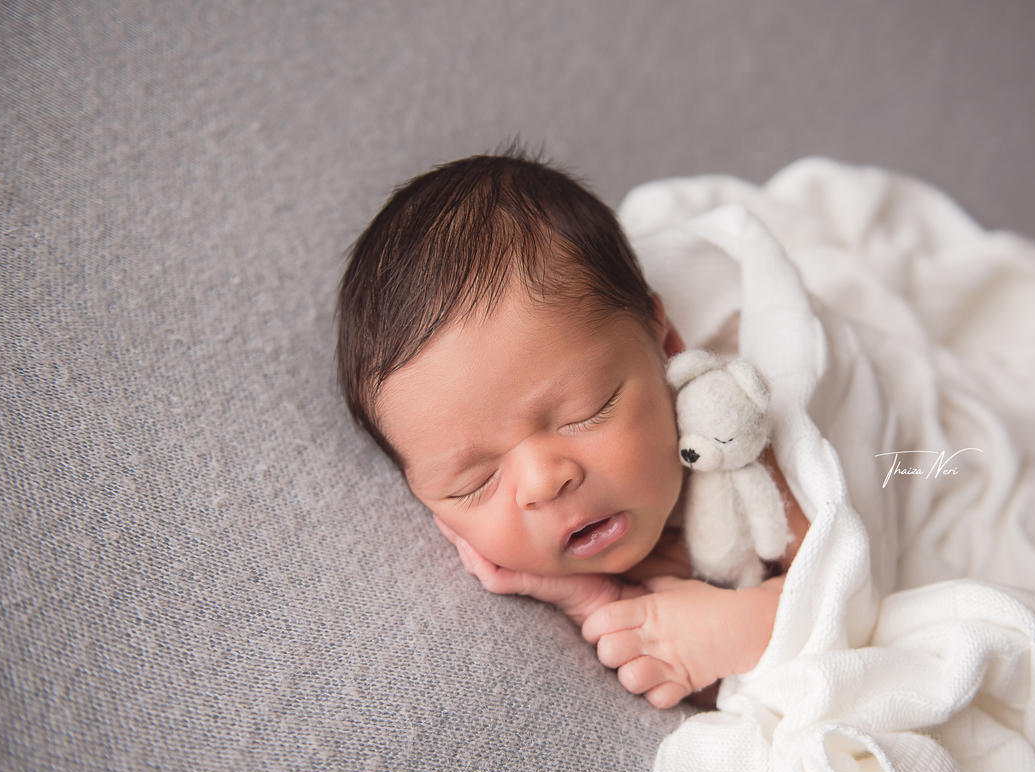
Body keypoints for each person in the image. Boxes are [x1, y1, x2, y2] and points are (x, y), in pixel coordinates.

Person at [336, 150, 808, 710]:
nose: (543, 483)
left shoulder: (745, 439)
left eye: (588, 410)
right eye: (474, 482)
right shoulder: (562, 580)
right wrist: (599, 603)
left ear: (666, 348)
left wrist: (750, 622)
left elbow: (852, 586)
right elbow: (694, 680)